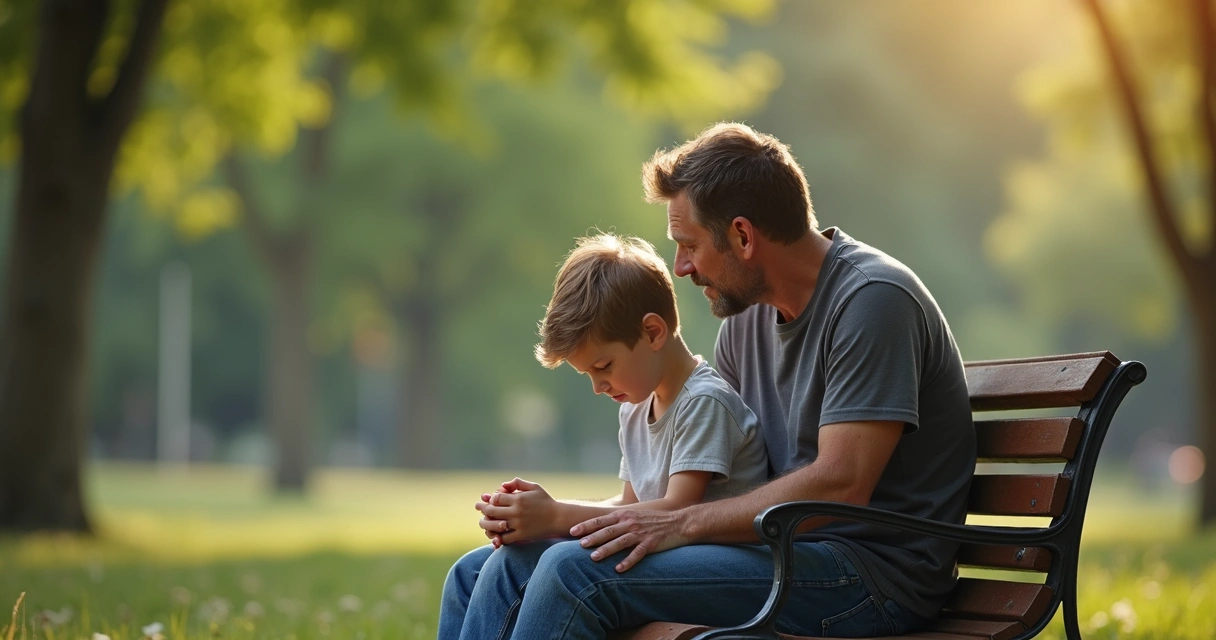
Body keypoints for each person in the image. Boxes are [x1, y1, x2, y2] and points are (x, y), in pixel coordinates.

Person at [442, 122, 977, 639]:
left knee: (572, 573)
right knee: (490, 569)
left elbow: (842, 482)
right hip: (779, 552)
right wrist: (565, 518)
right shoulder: (746, 321)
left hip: (870, 576)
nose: (679, 267)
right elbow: (726, 471)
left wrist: (676, 525)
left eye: (689, 245)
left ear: (742, 236)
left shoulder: (872, 300)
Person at [438, 233, 769, 640]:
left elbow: (673, 514)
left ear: (652, 333)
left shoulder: (704, 402)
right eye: (589, 375)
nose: (599, 386)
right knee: (470, 572)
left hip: (717, 564)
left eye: (604, 366)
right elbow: (630, 506)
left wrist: (557, 517)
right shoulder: (635, 406)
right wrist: (542, 516)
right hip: (660, 552)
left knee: (531, 567)